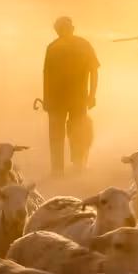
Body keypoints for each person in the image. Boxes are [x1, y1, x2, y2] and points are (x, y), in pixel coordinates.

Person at [42, 16, 100, 176]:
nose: (63, 32)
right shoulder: (53, 47)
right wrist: (46, 99)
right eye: (60, 29)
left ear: (72, 29)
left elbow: (94, 71)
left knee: (77, 134)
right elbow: (46, 75)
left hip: (76, 98)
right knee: (58, 136)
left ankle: (75, 167)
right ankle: (59, 169)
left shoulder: (82, 45)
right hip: (59, 99)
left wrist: (92, 94)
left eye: (65, 28)